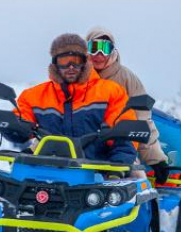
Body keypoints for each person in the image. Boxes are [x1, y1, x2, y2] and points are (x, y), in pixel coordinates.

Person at [11, 33, 136, 168]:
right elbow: (20, 121)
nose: (71, 66)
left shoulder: (111, 93)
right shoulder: (34, 96)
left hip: (96, 175)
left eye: (76, 61)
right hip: (45, 174)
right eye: (65, 61)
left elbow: (124, 139)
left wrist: (117, 169)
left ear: (85, 61)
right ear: (55, 64)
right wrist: (13, 126)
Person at [86, 26, 169, 182]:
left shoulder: (127, 80)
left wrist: (156, 160)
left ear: (112, 51)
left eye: (105, 48)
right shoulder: (77, 78)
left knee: (137, 183)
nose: (99, 55)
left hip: (118, 150)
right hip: (82, 149)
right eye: (94, 48)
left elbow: (142, 121)